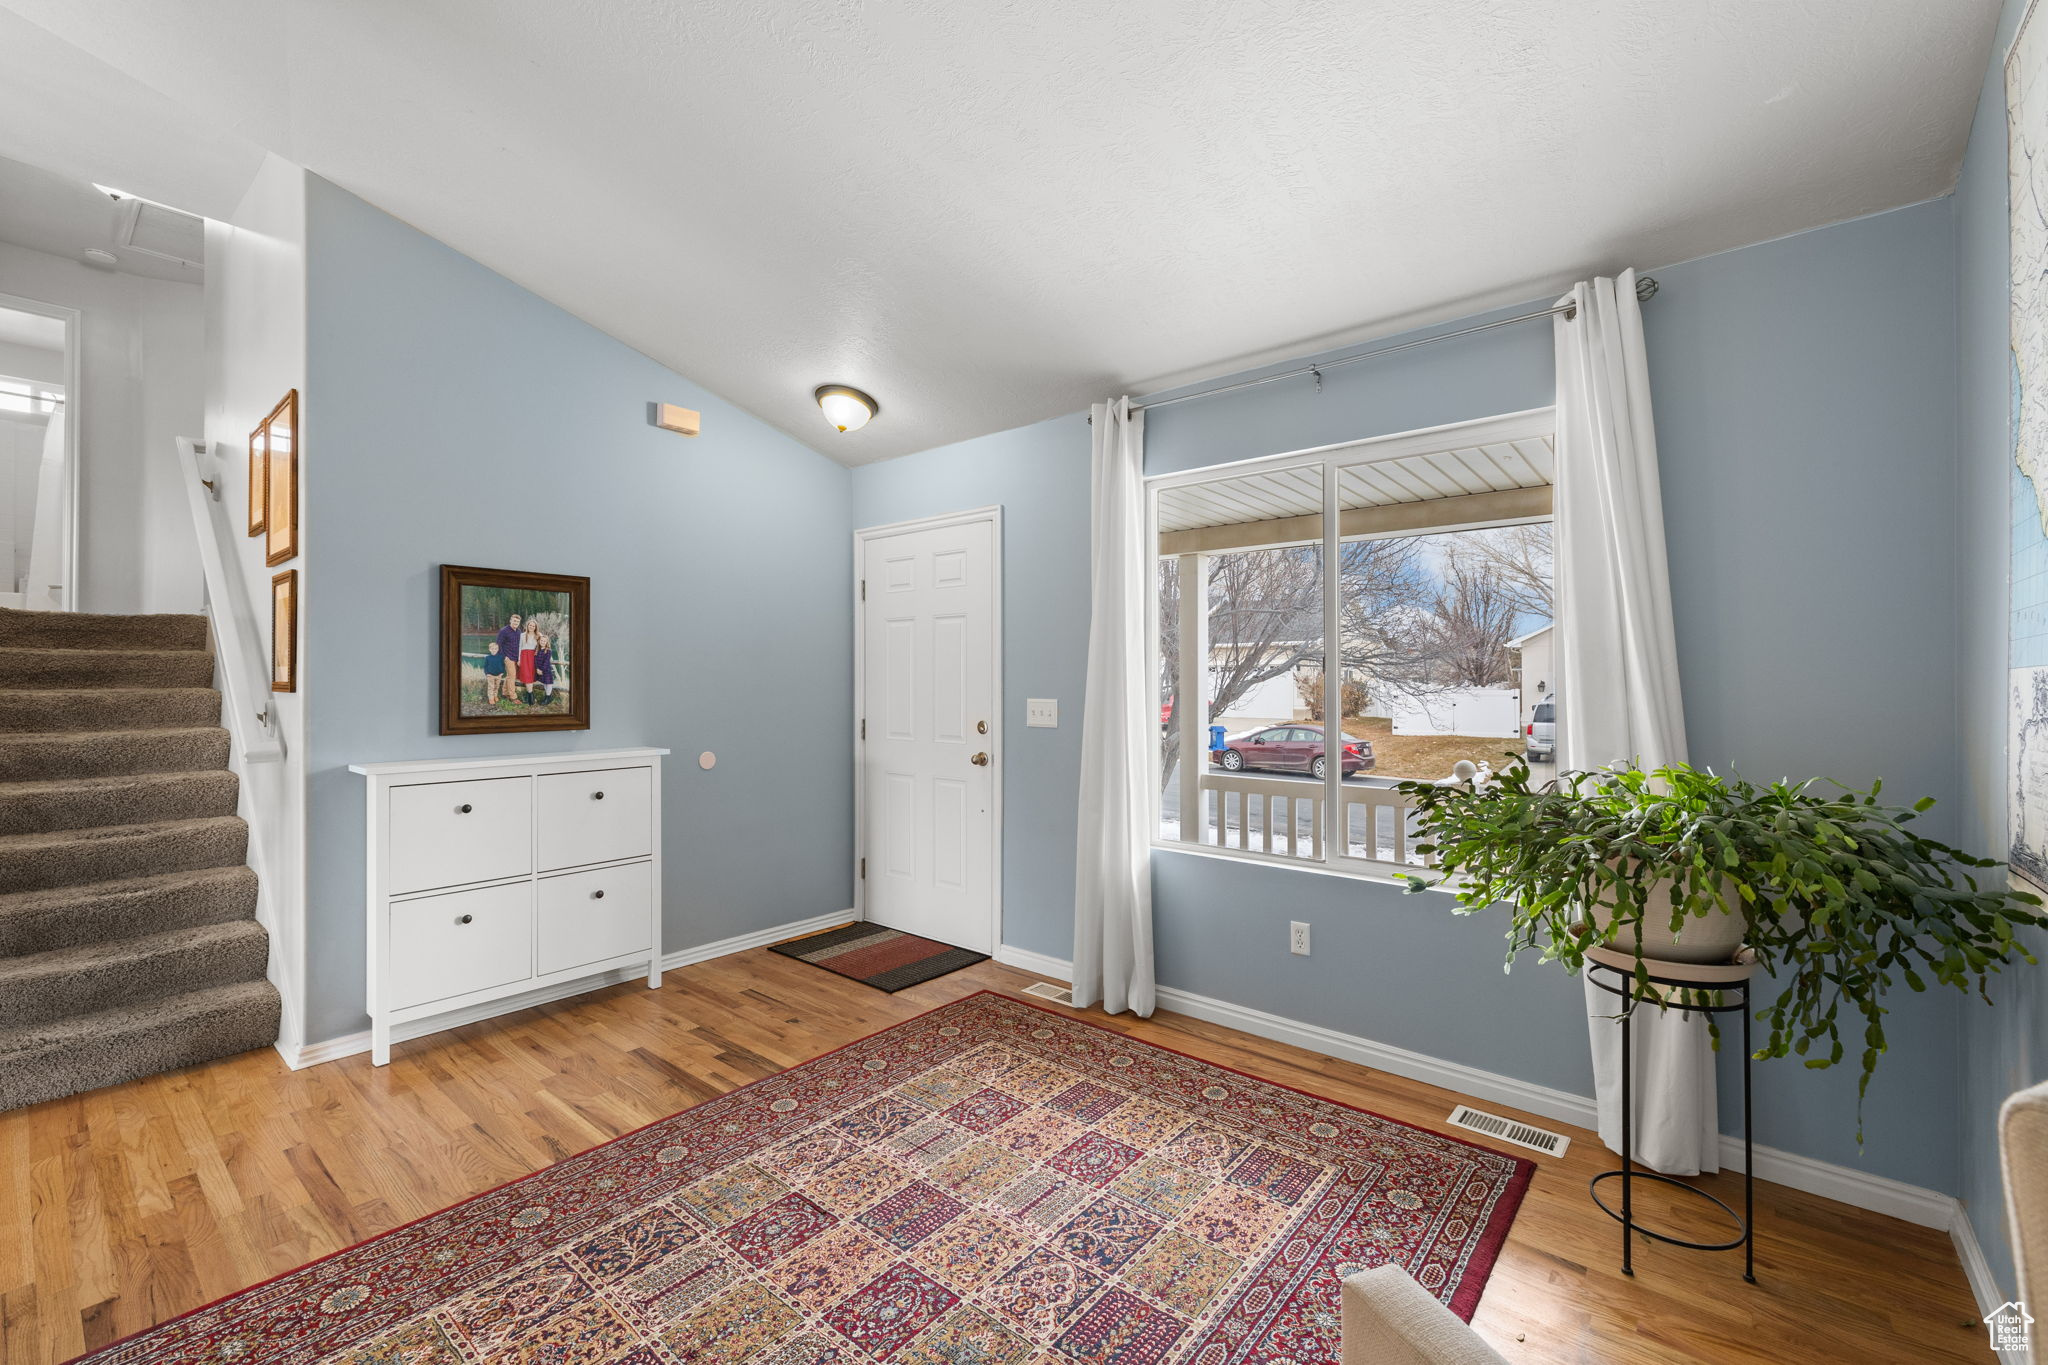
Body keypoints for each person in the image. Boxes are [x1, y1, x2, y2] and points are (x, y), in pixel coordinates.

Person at [494, 614, 523, 707]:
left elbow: (520, 645)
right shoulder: (504, 631)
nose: (516, 623)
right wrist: (504, 657)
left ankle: (505, 693)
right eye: (514, 621)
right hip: (508, 657)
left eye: (517, 622)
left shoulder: (518, 631)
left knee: (509, 676)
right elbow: (498, 644)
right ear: (510, 621)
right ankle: (513, 697)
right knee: (512, 676)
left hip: (516, 657)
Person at [480, 640, 507, 706]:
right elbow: (485, 666)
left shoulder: (500, 657)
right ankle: (491, 698)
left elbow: (503, 665)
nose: (494, 650)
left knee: (497, 686)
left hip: (499, 675)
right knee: (491, 687)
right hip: (490, 675)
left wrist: (502, 672)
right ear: (489, 649)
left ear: (498, 649)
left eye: (495, 649)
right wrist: (487, 673)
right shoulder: (488, 658)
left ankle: (495, 696)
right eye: (492, 649)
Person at [517, 618, 539, 702]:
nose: (532, 627)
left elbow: (542, 645)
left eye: (533, 626)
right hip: (524, 657)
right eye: (530, 625)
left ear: (535, 627)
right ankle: (531, 696)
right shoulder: (522, 635)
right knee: (526, 676)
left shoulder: (538, 635)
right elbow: (520, 647)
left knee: (531, 676)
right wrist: (519, 659)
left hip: (533, 657)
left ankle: (530, 697)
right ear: (527, 626)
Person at [533, 632, 556, 703]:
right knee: (545, 683)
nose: (543, 642)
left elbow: (546, 662)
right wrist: (537, 669)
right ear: (539, 641)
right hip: (539, 669)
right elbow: (535, 660)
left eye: (544, 641)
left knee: (548, 683)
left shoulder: (548, 651)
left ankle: (548, 697)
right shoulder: (537, 650)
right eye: (541, 640)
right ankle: (547, 696)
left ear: (547, 642)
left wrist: (541, 670)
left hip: (546, 670)